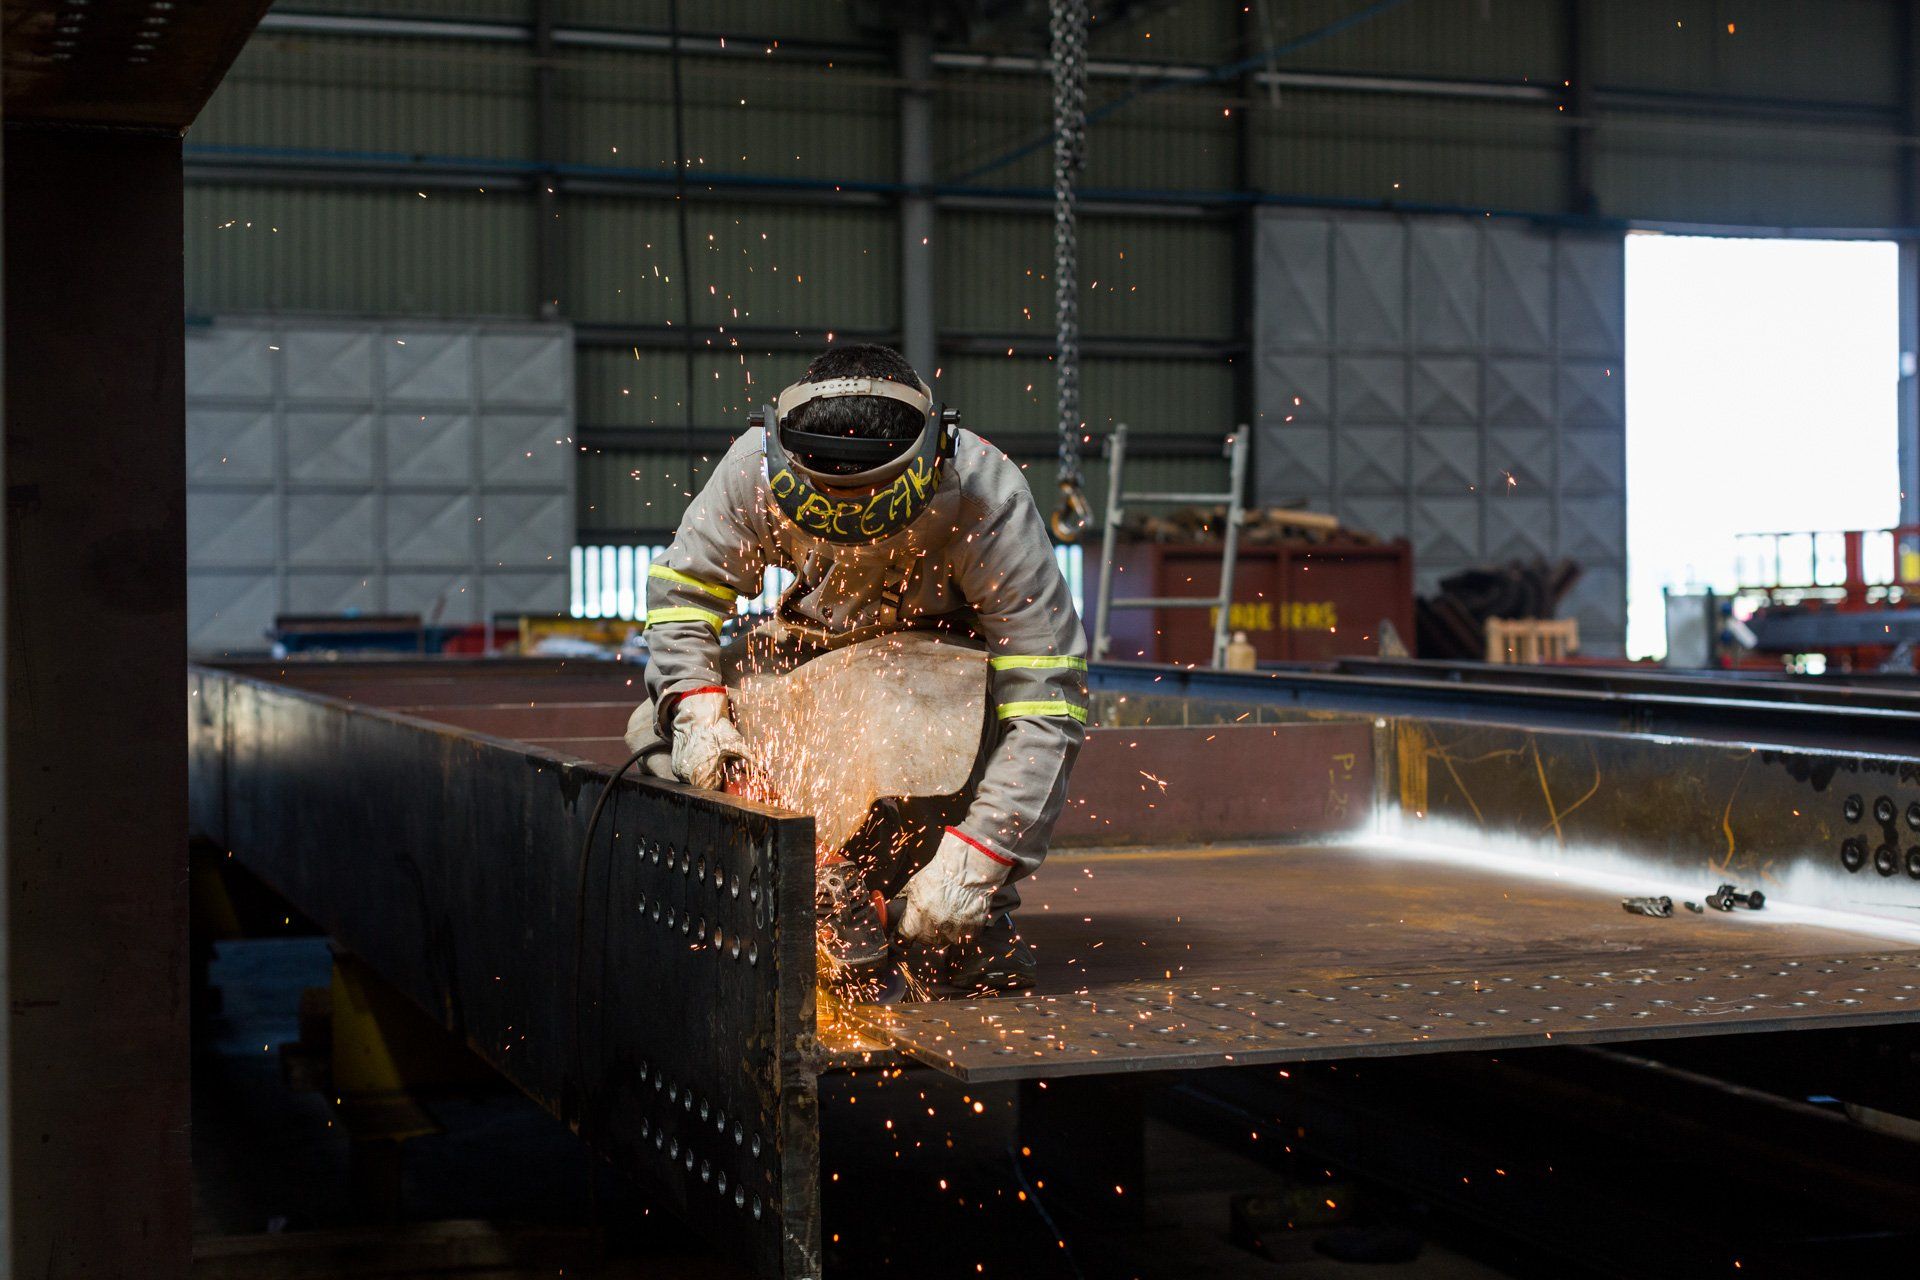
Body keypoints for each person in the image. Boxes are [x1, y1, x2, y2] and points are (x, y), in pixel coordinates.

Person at [629, 343, 1088, 995]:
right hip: (811, 652)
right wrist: (702, 716)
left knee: (911, 719)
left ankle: (967, 922)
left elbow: (1047, 705)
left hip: (934, 679)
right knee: (654, 725)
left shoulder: (989, 497)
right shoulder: (753, 469)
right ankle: (820, 874)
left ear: (932, 455)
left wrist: (977, 860)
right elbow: (684, 593)